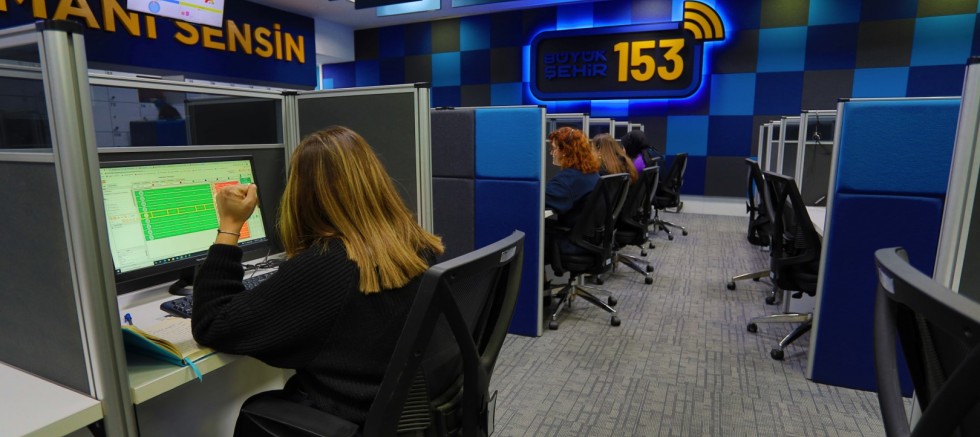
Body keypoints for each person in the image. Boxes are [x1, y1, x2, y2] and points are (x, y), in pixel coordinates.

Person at [191, 126, 444, 427]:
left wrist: (230, 225)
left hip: (350, 418)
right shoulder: (414, 244)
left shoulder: (328, 265)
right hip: (406, 415)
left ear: (303, 194)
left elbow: (214, 325)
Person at [545, 126, 601, 257]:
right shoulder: (591, 173)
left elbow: (540, 201)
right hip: (589, 239)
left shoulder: (568, 180)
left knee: (529, 231)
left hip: (573, 243)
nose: (552, 153)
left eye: (554, 148)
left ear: (565, 151)